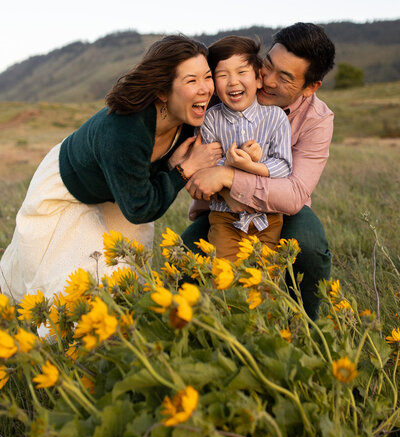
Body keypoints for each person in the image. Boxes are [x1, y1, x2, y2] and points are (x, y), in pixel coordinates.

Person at [0, 35, 222, 302]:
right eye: (191, 80)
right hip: (70, 187)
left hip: (117, 191)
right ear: (162, 91)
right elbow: (140, 208)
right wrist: (184, 169)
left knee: (129, 273)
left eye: (207, 77)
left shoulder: (191, 116)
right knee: (83, 274)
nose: (205, 89)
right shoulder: (125, 131)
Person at [182, 23, 335, 320]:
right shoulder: (224, 96)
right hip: (222, 209)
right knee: (184, 255)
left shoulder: (317, 119)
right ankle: (203, 330)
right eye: (268, 66)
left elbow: (293, 195)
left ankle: (304, 325)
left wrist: (228, 176)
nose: (267, 80)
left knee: (310, 246)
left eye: (285, 77)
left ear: (310, 87)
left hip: (281, 211)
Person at [200, 36, 292, 260]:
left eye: (242, 72)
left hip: (267, 218)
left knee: (267, 278)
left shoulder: (275, 117)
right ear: (213, 84)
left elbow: (283, 165)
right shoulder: (211, 119)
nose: (233, 81)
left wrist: (251, 166)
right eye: (222, 75)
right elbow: (207, 165)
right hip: (225, 218)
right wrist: (230, 164)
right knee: (223, 273)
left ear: (259, 78)